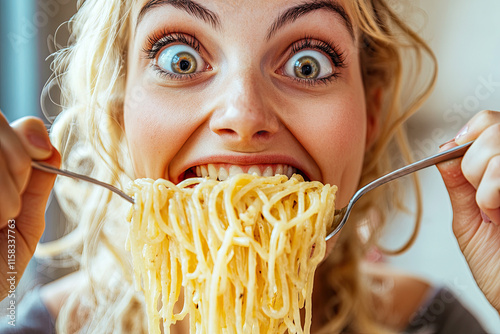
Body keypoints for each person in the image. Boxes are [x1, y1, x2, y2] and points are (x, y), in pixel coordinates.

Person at [0, 0, 498, 332]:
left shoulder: (432, 323)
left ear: (369, 113)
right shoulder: (49, 325)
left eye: (308, 63)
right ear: (119, 112)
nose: (243, 116)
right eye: (180, 60)